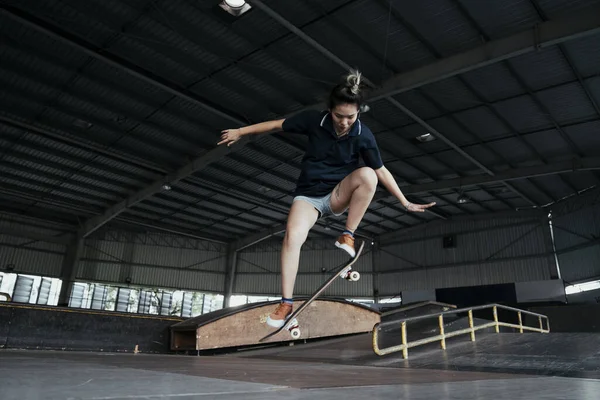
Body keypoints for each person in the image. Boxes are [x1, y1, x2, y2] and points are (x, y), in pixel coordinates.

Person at [218, 70, 435, 328]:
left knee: (368, 175)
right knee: (292, 236)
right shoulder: (314, 120)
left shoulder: (363, 135)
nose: (344, 122)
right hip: (308, 197)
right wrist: (241, 132)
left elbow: (381, 169)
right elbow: (277, 124)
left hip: (337, 194)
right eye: (339, 116)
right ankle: (286, 303)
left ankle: (348, 235)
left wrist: (404, 201)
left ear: (358, 114)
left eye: (350, 117)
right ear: (329, 110)